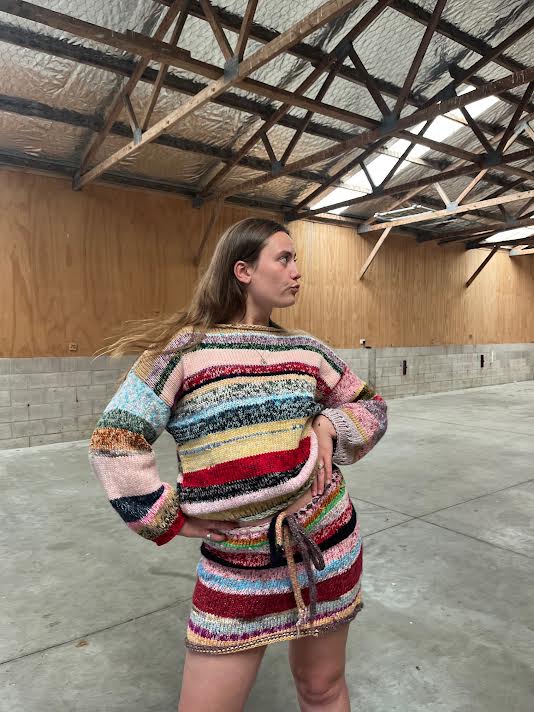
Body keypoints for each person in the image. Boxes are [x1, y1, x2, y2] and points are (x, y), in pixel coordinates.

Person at [89, 217, 387, 712]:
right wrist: (165, 517)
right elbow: (114, 439)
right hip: (237, 566)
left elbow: (371, 406)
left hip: (327, 547)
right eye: (284, 259)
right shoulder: (182, 352)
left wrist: (330, 425)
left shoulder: (307, 350)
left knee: (322, 688)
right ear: (243, 270)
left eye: (296, 260)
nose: (297, 271)